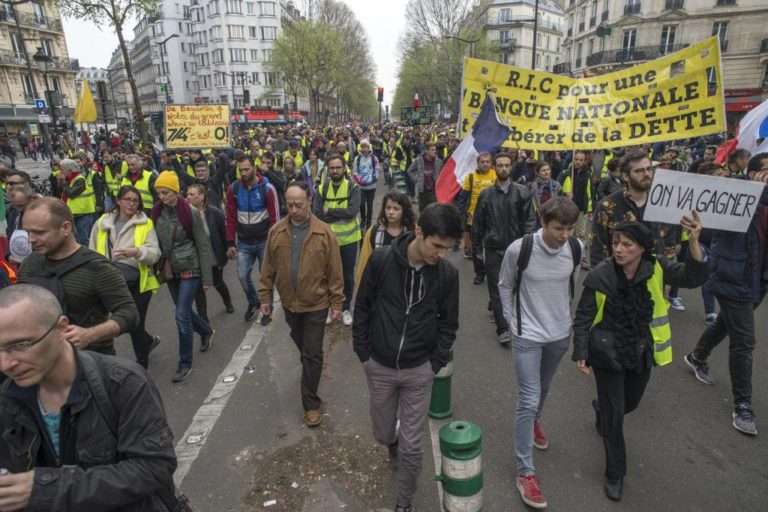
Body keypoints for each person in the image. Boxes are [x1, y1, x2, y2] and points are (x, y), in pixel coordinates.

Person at [0, 284, 178, 512]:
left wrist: (45, 489)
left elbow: (154, 467)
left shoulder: (122, 383)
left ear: (62, 329)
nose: (6, 364)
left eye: (21, 345)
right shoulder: (8, 399)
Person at [572, 218, 708, 501]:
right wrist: (581, 352)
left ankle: (603, 412)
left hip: (642, 351)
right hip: (607, 352)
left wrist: (694, 241)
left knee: (629, 403)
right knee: (615, 417)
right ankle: (615, 473)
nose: (619, 250)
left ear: (643, 248)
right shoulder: (600, 274)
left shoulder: (657, 267)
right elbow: (584, 316)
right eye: (615, 243)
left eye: (626, 245)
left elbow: (694, 278)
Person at [353, 203, 462, 512]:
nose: (440, 254)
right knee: (384, 431)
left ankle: (404, 503)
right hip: (380, 366)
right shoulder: (382, 261)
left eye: (448, 248)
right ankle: (391, 443)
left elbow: (448, 324)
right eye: (436, 245)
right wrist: (364, 354)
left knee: (413, 448)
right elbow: (362, 307)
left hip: (419, 370)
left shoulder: (447, 275)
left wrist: (434, 364)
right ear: (418, 232)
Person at [498, 197, 581, 509]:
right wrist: (512, 321)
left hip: (559, 334)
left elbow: (572, 286)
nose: (564, 236)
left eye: (570, 229)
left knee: (543, 389)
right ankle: (525, 472)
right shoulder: (520, 249)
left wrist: (568, 320)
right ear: (543, 222)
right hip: (528, 335)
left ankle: (535, 422)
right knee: (528, 397)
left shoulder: (576, 248)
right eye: (559, 228)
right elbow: (505, 285)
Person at [683, 171, 768, 436]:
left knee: (725, 323)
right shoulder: (737, 198)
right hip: (732, 278)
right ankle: (743, 406)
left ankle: (697, 356)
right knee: (744, 341)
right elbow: (708, 231)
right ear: (756, 173)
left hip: (758, 281)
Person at [258, 181, 344, 427]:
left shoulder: (324, 233)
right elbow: (268, 268)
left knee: (313, 353)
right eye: (290, 204)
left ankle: (311, 404)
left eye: (299, 204)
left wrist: (336, 302)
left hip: (316, 304)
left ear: (309, 202)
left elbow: (335, 271)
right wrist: (265, 297)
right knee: (304, 348)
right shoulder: (276, 232)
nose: (293, 209)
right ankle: (309, 368)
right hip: (289, 304)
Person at [18, 197, 138, 356]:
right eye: (28, 232)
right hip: (42, 363)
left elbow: (129, 314)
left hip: (90, 363)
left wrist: (89, 335)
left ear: (65, 228)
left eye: (40, 232)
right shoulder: (29, 264)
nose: (31, 239)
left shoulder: (98, 268)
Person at [151, 171, 215, 383]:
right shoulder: (156, 213)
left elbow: (203, 246)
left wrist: (207, 278)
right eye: (159, 193)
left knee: (180, 315)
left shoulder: (190, 212)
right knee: (184, 311)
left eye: (166, 192)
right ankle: (206, 331)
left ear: (175, 191)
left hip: (190, 267)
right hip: (170, 270)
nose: (162, 197)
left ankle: (185, 363)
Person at [89, 186, 162, 369]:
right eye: (127, 199)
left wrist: (136, 252)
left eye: (135, 201)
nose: (131, 203)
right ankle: (148, 342)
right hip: (110, 281)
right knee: (122, 324)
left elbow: (155, 253)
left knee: (135, 323)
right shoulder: (102, 223)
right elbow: (91, 251)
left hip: (138, 282)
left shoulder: (145, 223)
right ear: (118, 201)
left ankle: (142, 366)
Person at [472, 152, 537, 345]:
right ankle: (503, 328)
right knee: (496, 289)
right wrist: (477, 249)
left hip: (517, 249)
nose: (503, 168)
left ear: (511, 167)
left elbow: (530, 221)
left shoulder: (522, 192)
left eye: (507, 165)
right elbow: (478, 224)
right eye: (499, 165)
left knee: (518, 287)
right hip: (494, 248)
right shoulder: (486, 195)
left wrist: (527, 244)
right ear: (494, 167)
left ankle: (517, 322)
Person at [591, 149, 683, 267]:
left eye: (649, 169)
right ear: (625, 176)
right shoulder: (608, 207)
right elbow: (598, 250)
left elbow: (670, 243)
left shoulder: (664, 203)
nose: (646, 174)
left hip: (656, 277)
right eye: (639, 171)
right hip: (620, 278)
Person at [225, 154, 280, 323]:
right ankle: (254, 302)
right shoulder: (233, 189)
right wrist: (230, 242)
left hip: (264, 241)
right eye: (240, 170)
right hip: (244, 242)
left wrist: (273, 241)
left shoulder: (267, 188)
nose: (243, 173)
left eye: (246, 169)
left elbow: (275, 218)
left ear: (254, 168)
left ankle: (267, 310)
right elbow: (231, 217)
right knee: (242, 276)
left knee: (266, 278)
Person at [313, 153, 361, 326]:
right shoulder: (321, 189)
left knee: (347, 276)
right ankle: (330, 307)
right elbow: (317, 213)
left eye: (338, 167)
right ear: (327, 169)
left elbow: (352, 212)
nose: (334, 170)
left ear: (344, 168)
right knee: (327, 276)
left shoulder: (353, 187)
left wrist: (329, 212)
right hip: (327, 241)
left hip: (349, 240)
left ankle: (346, 307)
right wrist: (339, 213)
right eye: (332, 168)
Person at [187, 183, 235, 319]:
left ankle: (228, 302)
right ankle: (204, 321)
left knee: (218, 283)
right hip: (195, 259)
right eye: (187, 194)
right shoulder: (186, 214)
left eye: (192, 194)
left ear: (201, 196)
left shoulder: (215, 213)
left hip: (213, 256)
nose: (188, 197)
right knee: (199, 291)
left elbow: (224, 232)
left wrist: (229, 247)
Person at [354, 191, 415, 287]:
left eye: (396, 209)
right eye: (388, 208)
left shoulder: (412, 233)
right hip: (378, 284)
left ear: (404, 211)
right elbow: (364, 262)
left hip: (403, 286)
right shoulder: (373, 232)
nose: (391, 212)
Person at [459, 152, 496, 284]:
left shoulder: (496, 176)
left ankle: (492, 272)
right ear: (478, 163)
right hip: (474, 217)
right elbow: (463, 198)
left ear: (491, 163)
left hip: (493, 217)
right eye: (482, 162)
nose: (485, 164)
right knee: (476, 247)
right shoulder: (470, 177)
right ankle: (479, 273)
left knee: (492, 246)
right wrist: (462, 215)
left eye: (487, 162)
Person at [561, 150, 594, 268]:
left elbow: (589, 192)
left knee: (581, 234)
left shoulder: (587, 174)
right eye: (576, 159)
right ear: (573, 159)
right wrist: (566, 194)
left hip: (581, 208)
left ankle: (581, 257)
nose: (578, 162)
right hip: (568, 208)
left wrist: (589, 209)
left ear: (585, 161)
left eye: (581, 160)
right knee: (568, 233)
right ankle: (566, 256)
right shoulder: (566, 173)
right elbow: (558, 189)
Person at [57, 159, 97, 246]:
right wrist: (60, 182)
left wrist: (64, 183)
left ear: (69, 170)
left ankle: (87, 256)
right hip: (73, 212)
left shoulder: (80, 179)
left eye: (62, 170)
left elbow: (72, 193)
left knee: (82, 238)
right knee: (75, 238)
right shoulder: (69, 179)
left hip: (83, 213)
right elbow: (61, 192)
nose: (61, 172)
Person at [352, 140, 381, 231]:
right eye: (362, 147)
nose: (364, 149)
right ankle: (363, 220)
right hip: (361, 186)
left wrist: (370, 180)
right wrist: (360, 181)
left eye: (366, 147)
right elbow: (355, 172)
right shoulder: (357, 159)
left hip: (371, 186)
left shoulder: (374, 158)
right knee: (361, 204)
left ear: (369, 147)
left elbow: (377, 170)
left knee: (370, 205)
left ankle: (369, 223)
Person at [407, 142, 443, 212]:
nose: (434, 152)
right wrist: (417, 180)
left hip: (433, 191)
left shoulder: (438, 161)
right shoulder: (419, 160)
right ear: (426, 151)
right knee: (422, 211)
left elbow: (442, 173)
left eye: (435, 150)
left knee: (433, 211)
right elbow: (410, 171)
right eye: (432, 150)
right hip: (422, 191)